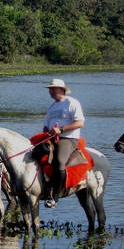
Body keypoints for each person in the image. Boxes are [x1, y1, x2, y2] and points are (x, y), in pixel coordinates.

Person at [42, 79, 85, 209]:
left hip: (67, 138)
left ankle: (55, 196)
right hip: (51, 138)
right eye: (50, 89)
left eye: (53, 88)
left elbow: (80, 123)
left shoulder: (72, 102)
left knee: (59, 161)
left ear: (61, 89)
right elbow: (46, 125)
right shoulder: (52, 107)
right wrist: (47, 130)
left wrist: (60, 129)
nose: (50, 91)